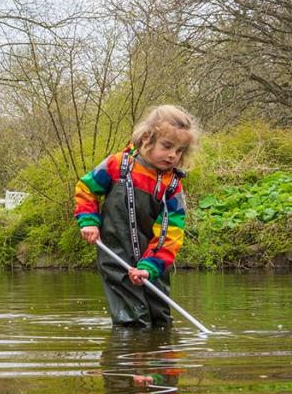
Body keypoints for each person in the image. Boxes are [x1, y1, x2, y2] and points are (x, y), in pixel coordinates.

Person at [74, 105, 200, 327]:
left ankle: (160, 357)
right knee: (132, 319)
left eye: (179, 151)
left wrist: (150, 266)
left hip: (154, 260)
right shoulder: (117, 165)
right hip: (116, 256)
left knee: (160, 318)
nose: (173, 155)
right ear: (146, 139)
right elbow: (86, 189)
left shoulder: (172, 186)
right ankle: (128, 357)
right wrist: (89, 221)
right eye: (167, 146)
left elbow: (172, 231)